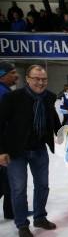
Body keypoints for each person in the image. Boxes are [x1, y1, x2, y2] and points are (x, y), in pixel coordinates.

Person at [0, 65, 61, 237]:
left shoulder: (49, 97)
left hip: (39, 149)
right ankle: (22, 225)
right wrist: (1, 151)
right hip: (16, 151)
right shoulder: (13, 98)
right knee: (18, 190)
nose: (40, 82)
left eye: (43, 79)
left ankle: (40, 217)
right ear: (27, 79)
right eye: (36, 78)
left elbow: (54, 120)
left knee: (43, 185)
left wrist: (65, 132)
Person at [0, 62, 18, 220]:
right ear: (3, 75)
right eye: (12, 73)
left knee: (6, 180)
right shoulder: (3, 93)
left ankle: (10, 211)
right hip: (4, 145)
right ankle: (11, 211)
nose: (16, 75)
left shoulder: (5, 90)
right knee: (5, 180)